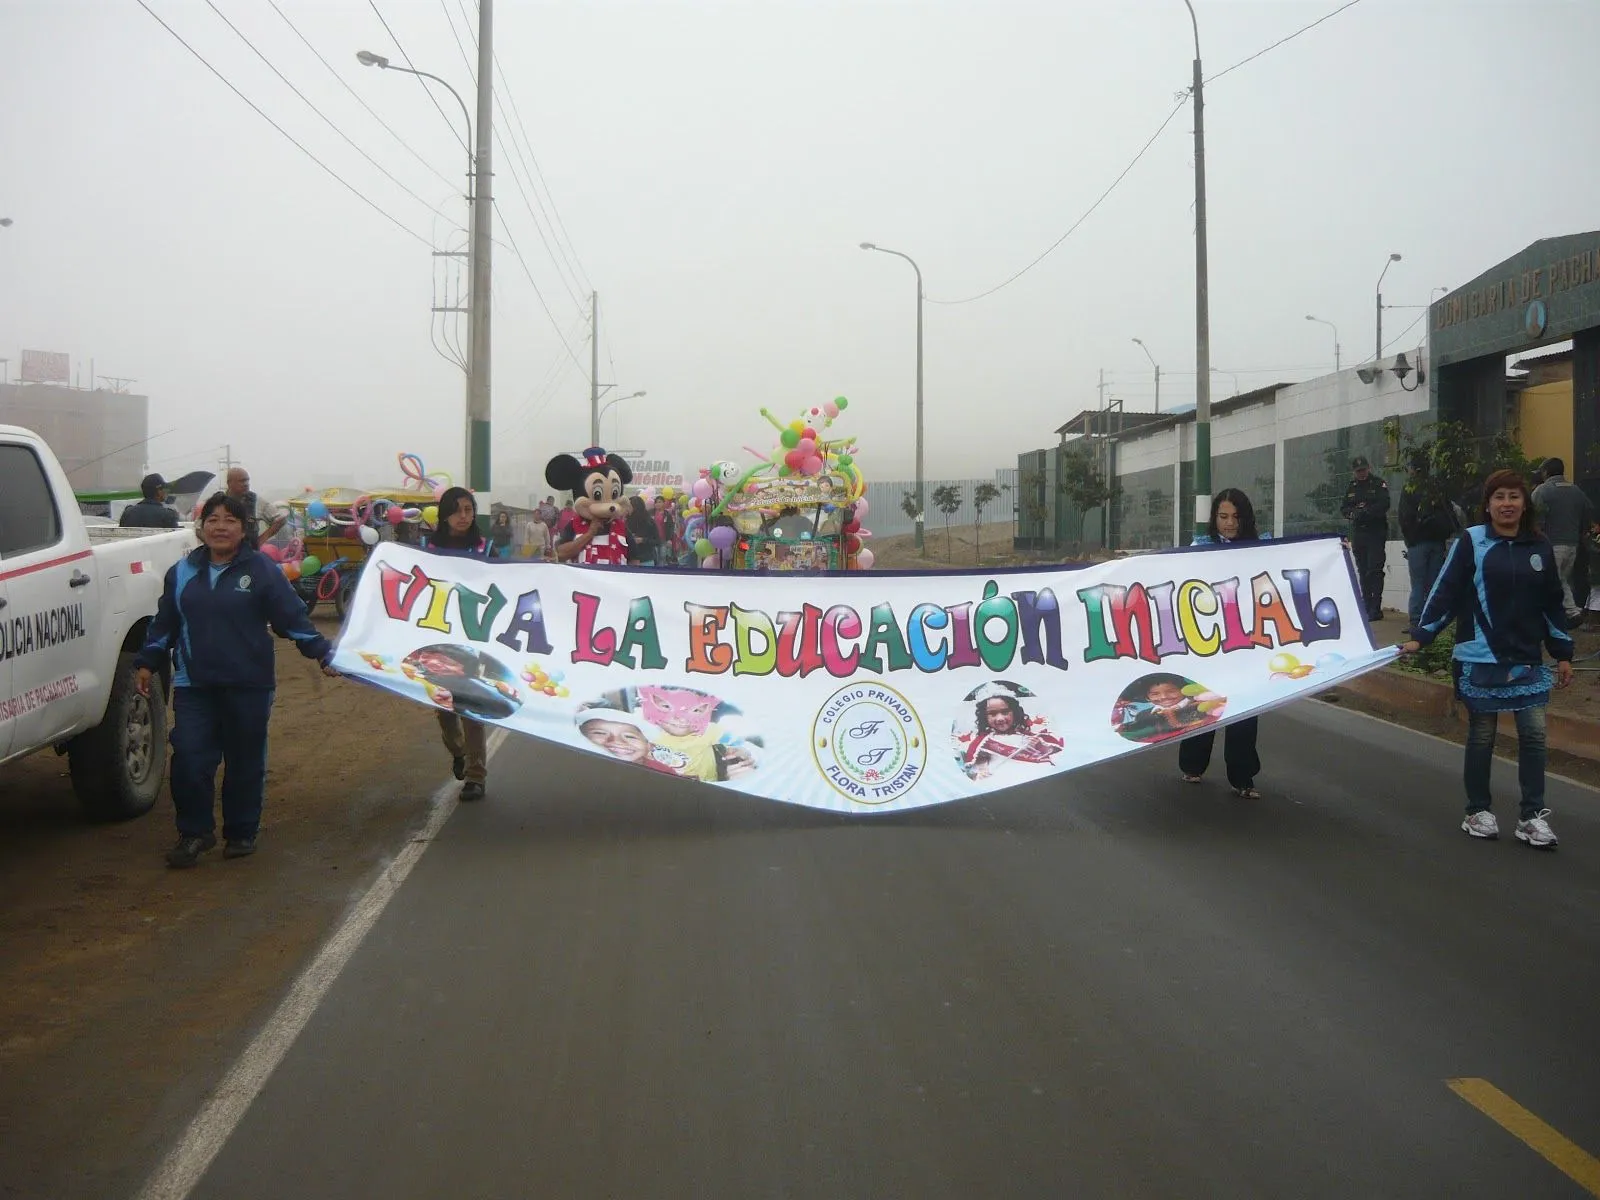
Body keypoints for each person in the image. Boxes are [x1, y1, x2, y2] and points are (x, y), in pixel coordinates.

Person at [134, 493, 337, 867]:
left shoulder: (261, 571)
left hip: (249, 685)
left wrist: (322, 651)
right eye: (212, 519)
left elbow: (291, 619)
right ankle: (194, 833)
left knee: (244, 762)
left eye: (230, 520)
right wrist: (147, 661)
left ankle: (241, 831)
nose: (220, 526)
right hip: (195, 684)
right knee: (190, 759)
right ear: (201, 527)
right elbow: (165, 624)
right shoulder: (181, 573)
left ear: (244, 529)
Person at [1401, 469, 1575, 848]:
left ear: (1524, 503)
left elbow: (1551, 605)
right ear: (1488, 504)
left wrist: (1562, 653)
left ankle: (1532, 817)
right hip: (1479, 658)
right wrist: (1420, 636)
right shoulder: (1472, 541)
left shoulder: (1539, 546)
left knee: (1534, 736)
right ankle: (1478, 811)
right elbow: (1445, 591)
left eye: (1514, 496)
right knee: (1482, 736)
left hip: (1527, 660)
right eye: (1499, 497)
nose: (1507, 504)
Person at [1178, 488, 1264, 796]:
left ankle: (1243, 778)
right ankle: (1192, 765)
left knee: (1244, 707)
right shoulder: (1199, 548)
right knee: (1203, 702)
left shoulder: (1264, 547)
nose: (1229, 524)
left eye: (1236, 517)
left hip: (1248, 643)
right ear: (1214, 518)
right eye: (1223, 516)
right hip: (1208, 641)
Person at [421, 486, 492, 801]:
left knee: (472, 709)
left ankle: (476, 776)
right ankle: (459, 752)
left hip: (475, 638)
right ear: (445, 514)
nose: (464, 516)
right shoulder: (427, 549)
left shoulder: (486, 548)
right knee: (445, 709)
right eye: (457, 510)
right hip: (438, 638)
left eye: (469, 509)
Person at [1531, 457, 1596, 627]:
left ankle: (1573, 613)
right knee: (1563, 579)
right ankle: (1554, 615)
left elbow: (1534, 518)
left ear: (1546, 472)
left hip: (1551, 544)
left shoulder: (1541, 491)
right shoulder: (1576, 490)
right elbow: (1588, 511)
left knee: (1557, 580)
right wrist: (1582, 531)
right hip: (1572, 544)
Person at [1397, 451, 1457, 631]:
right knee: (1433, 583)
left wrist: (1411, 539)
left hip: (1418, 543)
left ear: (1413, 469)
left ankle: (1416, 621)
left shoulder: (1410, 488)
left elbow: (1404, 517)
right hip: (1437, 541)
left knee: (1418, 584)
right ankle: (1431, 620)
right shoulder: (1436, 486)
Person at [1341, 455, 1391, 622]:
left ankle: (1375, 608)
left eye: (1363, 470)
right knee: (1363, 571)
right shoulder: (1352, 486)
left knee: (1374, 571)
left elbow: (1384, 504)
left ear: (1368, 468)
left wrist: (1366, 512)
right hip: (1359, 533)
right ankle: (1366, 606)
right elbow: (1344, 508)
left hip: (1375, 533)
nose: (1361, 473)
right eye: (1358, 471)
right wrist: (1353, 514)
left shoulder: (1378, 484)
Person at [224, 467, 286, 550]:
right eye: (242, 481)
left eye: (247, 480)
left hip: (249, 555)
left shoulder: (256, 500)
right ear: (229, 483)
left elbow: (281, 519)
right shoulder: (218, 501)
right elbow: (200, 528)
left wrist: (261, 539)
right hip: (224, 555)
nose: (246, 484)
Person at [625, 495, 661, 566]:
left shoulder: (649, 522)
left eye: (629, 506)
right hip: (630, 559)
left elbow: (657, 541)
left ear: (636, 507)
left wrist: (642, 540)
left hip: (646, 559)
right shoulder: (626, 520)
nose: (627, 508)